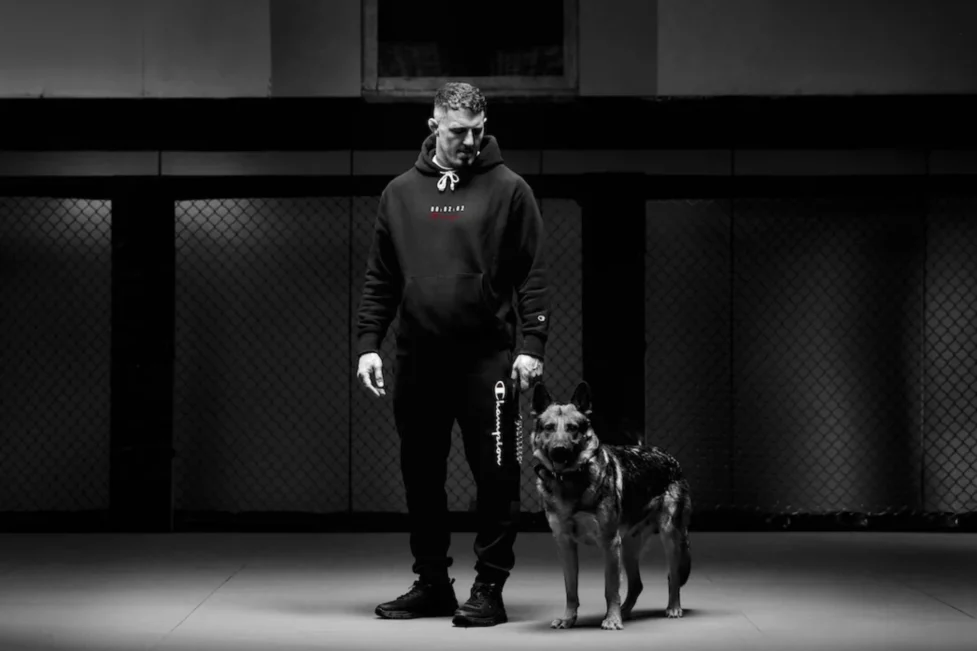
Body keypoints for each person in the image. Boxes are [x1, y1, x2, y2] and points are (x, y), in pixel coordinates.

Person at [354, 81, 549, 627]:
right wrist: (369, 344)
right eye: (457, 131)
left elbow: (532, 276)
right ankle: (433, 583)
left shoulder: (510, 190)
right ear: (433, 125)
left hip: (487, 361)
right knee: (420, 474)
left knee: (497, 473)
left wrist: (532, 344)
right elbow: (381, 279)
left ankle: (490, 586)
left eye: (476, 131)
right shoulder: (398, 194)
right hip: (419, 361)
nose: (468, 142)